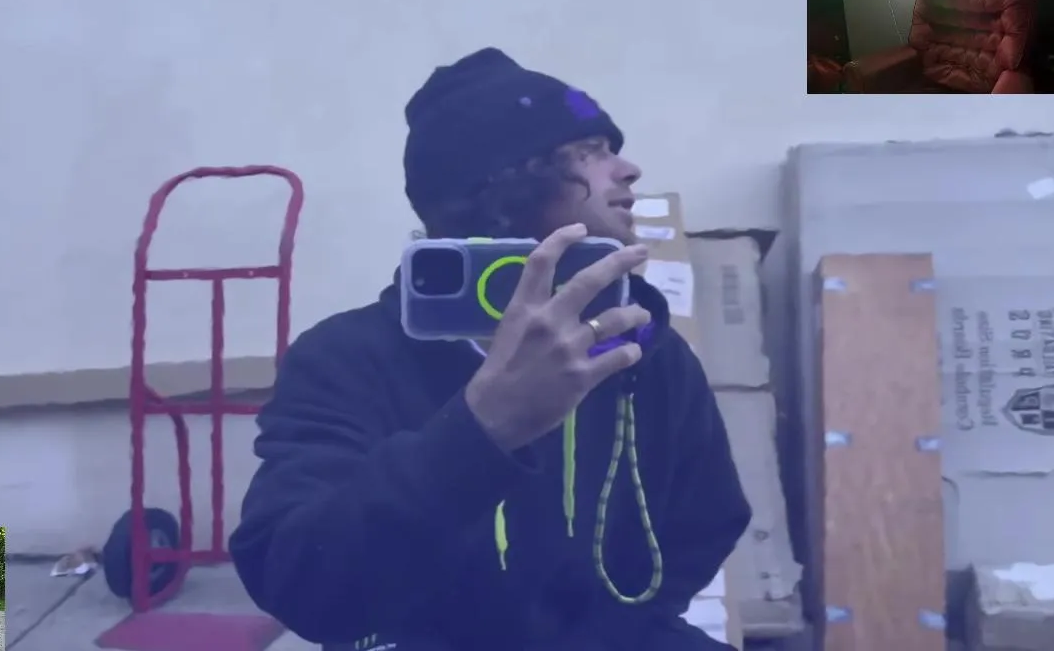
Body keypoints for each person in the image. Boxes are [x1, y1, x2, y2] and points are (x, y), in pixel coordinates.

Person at [229, 48, 751, 650]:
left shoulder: (639, 347)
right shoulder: (346, 359)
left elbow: (707, 522)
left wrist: (607, 633)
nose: (628, 169)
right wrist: (482, 429)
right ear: (507, 184)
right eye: (590, 152)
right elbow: (301, 583)